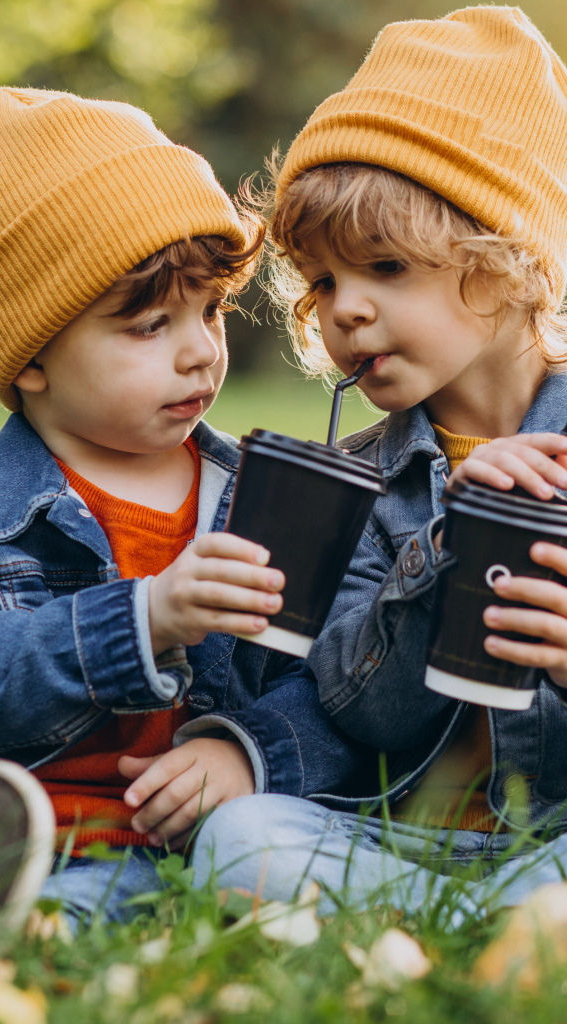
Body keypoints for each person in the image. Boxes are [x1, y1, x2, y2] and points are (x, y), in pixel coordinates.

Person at [0, 87, 361, 940]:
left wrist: (247, 751)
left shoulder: (262, 501)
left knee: (83, 911)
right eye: (152, 324)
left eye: (211, 311)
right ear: (33, 353)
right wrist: (145, 618)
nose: (200, 349)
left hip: (142, 851)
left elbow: (336, 681)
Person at [194, 5, 567, 918]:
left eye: (386, 267)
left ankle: (515, 917)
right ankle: (501, 927)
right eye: (322, 281)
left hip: (555, 833)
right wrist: (437, 550)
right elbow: (365, 715)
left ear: (511, 259)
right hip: (394, 836)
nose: (343, 310)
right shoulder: (357, 486)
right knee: (237, 839)